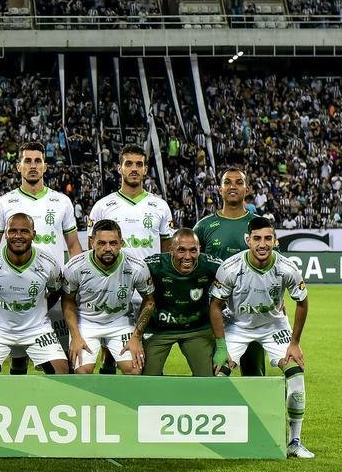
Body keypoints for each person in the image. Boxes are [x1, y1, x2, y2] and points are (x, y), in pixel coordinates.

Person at [209, 216, 314, 458]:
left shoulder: (287, 268)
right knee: (217, 377)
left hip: (274, 327)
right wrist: (221, 346)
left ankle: (294, 442)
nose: (262, 244)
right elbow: (215, 306)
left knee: (296, 376)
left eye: (268, 238)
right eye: (257, 238)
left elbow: (302, 303)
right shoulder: (230, 267)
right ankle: (219, 436)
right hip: (237, 326)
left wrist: (295, 343)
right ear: (248, 240)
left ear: (275, 240)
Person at [0, 141, 83, 373]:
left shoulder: (61, 202)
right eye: (27, 161)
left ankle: (59, 404)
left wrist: (79, 280)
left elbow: (73, 245)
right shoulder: (4, 203)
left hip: (55, 290)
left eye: (37, 161)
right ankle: (19, 404)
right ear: (18, 166)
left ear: (45, 166)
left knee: (60, 358)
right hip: (15, 290)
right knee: (18, 358)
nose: (33, 165)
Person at [88, 143, 173, 373]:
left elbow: (166, 252)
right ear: (119, 168)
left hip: (148, 291)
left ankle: (142, 402)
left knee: (143, 355)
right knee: (108, 354)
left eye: (139, 164)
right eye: (129, 164)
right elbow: (91, 250)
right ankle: (106, 402)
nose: (134, 169)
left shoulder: (160, 206)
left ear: (146, 169)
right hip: (111, 289)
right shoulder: (103, 206)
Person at [0, 213, 70, 376]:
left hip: (37, 330)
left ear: (33, 234)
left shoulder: (48, 263)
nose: (18, 236)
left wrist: (42, 310)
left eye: (24, 231)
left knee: (62, 373)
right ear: (5, 233)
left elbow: (56, 290)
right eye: (12, 231)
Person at [194, 167, 267, 377]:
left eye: (238, 182)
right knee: (214, 369)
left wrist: (279, 300)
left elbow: (274, 265)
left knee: (253, 372)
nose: (232, 186)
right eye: (227, 182)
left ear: (247, 189)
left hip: (251, 309)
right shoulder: (204, 226)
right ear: (220, 189)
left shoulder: (259, 226)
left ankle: (255, 410)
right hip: (214, 309)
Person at [61, 219, 155, 375]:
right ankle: (91, 400)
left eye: (113, 243)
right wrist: (76, 336)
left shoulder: (136, 267)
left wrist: (136, 337)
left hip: (121, 321)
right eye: (101, 243)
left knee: (134, 369)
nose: (108, 248)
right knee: (82, 371)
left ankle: (120, 399)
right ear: (91, 242)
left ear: (121, 243)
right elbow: (68, 301)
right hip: (86, 322)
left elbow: (149, 301)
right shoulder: (75, 266)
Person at [134, 228, 222, 376]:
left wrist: (223, 346)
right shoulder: (153, 265)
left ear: (200, 249)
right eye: (181, 250)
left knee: (209, 378)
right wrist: (135, 337)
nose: (187, 256)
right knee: (145, 377)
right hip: (159, 329)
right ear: (171, 249)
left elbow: (235, 281)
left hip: (197, 330)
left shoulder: (212, 265)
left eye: (193, 250)